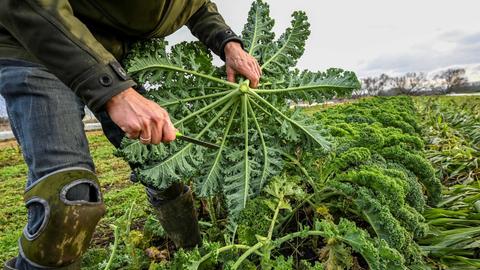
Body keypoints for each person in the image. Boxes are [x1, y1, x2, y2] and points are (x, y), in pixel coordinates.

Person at [0, 1, 261, 269]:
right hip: (36, 41)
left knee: (163, 169)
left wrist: (228, 43)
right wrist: (113, 91)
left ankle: (194, 257)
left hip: (110, 56)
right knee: (68, 198)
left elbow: (195, 5)